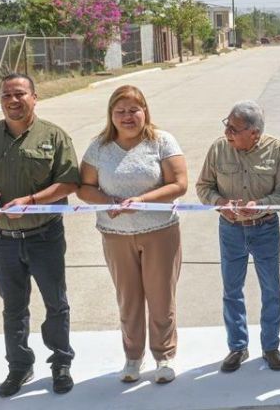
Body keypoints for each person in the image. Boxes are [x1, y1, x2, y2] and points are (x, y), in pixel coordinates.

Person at [0, 73, 80, 397]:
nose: (13, 101)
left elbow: (70, 182)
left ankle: (61, 363)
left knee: (55, 303)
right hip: (3, 240)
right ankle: (19, 367)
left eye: (19, 94)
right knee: (13, 307)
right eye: (6, 96)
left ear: (34, 97)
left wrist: (32, 201)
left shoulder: (54, 136)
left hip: (44, 237)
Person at [77, 85, 188, 384]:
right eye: (120, 111)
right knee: (129, 299)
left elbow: (179, 183)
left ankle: (164, 356)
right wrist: (109, 203)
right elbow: (85, 188)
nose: (127, 117)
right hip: (116, 235)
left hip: (160, 233)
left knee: (162, 298)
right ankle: (133, 357)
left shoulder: (162, 141)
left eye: (133, 110)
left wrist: (142, 202)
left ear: (145, 111)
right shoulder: (98, 147)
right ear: (111, 115)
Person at [196, 100, 280, 372]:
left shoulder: (278, 151)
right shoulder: (218, 149)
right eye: (226, 125)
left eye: (234, 128)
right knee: (232, 290)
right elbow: (203, 187)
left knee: (271, 289)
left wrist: (262, 203)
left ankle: (271, 346)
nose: (227, 132)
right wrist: (219, 203)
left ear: (255, 133)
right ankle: (237, 347)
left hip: (265, 228)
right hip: (231, 230)